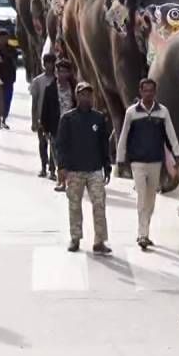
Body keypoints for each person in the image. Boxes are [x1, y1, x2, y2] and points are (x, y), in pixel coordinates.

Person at [117, 78, 179, 250]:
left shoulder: (163, 112)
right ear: (140, 92)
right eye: (145, 90)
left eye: (151, 91)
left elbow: (171, 134)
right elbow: (123, 136)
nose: (148, 94)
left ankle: (146, 230)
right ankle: (142, 234)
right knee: (141, 196)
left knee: (151, 199)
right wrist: (120, 159)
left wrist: (177, 155)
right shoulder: (131, 112)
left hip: (155, 161)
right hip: (137, 162)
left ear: (155, 92)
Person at [55, 82, 112, 255]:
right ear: (76, 96)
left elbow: (104, 144)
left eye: (88, 94)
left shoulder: (99, 118)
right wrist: (62, 167)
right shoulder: (68, 118)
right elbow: (61, 145)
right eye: (82, 94)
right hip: (75, 170)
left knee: (99, 205)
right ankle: (75, 238)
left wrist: (107, 166)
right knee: (74, 205)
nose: (85, 98)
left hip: (94, 169)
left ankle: (99, 241)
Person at [39, 59, 77, 191]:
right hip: (56, 127)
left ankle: (70, 179)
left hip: (72, 126)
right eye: (59, 71)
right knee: (58, 155)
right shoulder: (50, 89)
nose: (62, 74)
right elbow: (45, 110)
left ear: (69, 73)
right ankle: (62, 181)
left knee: (71, 154)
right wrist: (45, 127)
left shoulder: (75, 88)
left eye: (65, 71)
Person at [30, 52, 59, 180]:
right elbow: (34, 102)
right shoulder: (37, 81)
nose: (49, 66)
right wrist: (34, 120)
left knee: (53, 144)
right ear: (44, 64)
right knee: (42, 143)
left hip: (53, 117)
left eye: (52, 63)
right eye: (47, 63)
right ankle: (43, 167)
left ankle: (52, 170)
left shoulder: (58, 81)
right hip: (41, 116)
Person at [0, 30, 17, 129]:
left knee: (7, 100)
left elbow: (14, 61)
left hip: (9, 79)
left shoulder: (12, 50)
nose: (3, 40)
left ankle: (4, 119)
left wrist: (5, 56)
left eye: (5, 38)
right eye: (1, 38)